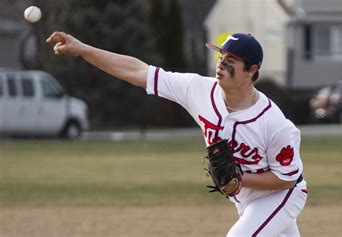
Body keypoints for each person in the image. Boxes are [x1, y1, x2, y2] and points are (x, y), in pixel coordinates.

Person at [47, 31, 307, 236]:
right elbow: (137, 71)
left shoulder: (275, 124)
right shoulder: (198, 90)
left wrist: (240, 179)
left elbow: (286, 179)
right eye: (220, 58)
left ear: (252, 71)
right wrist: (82, 50)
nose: (221, 65)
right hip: (246, 201)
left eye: (231, 62)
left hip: (283, 195)